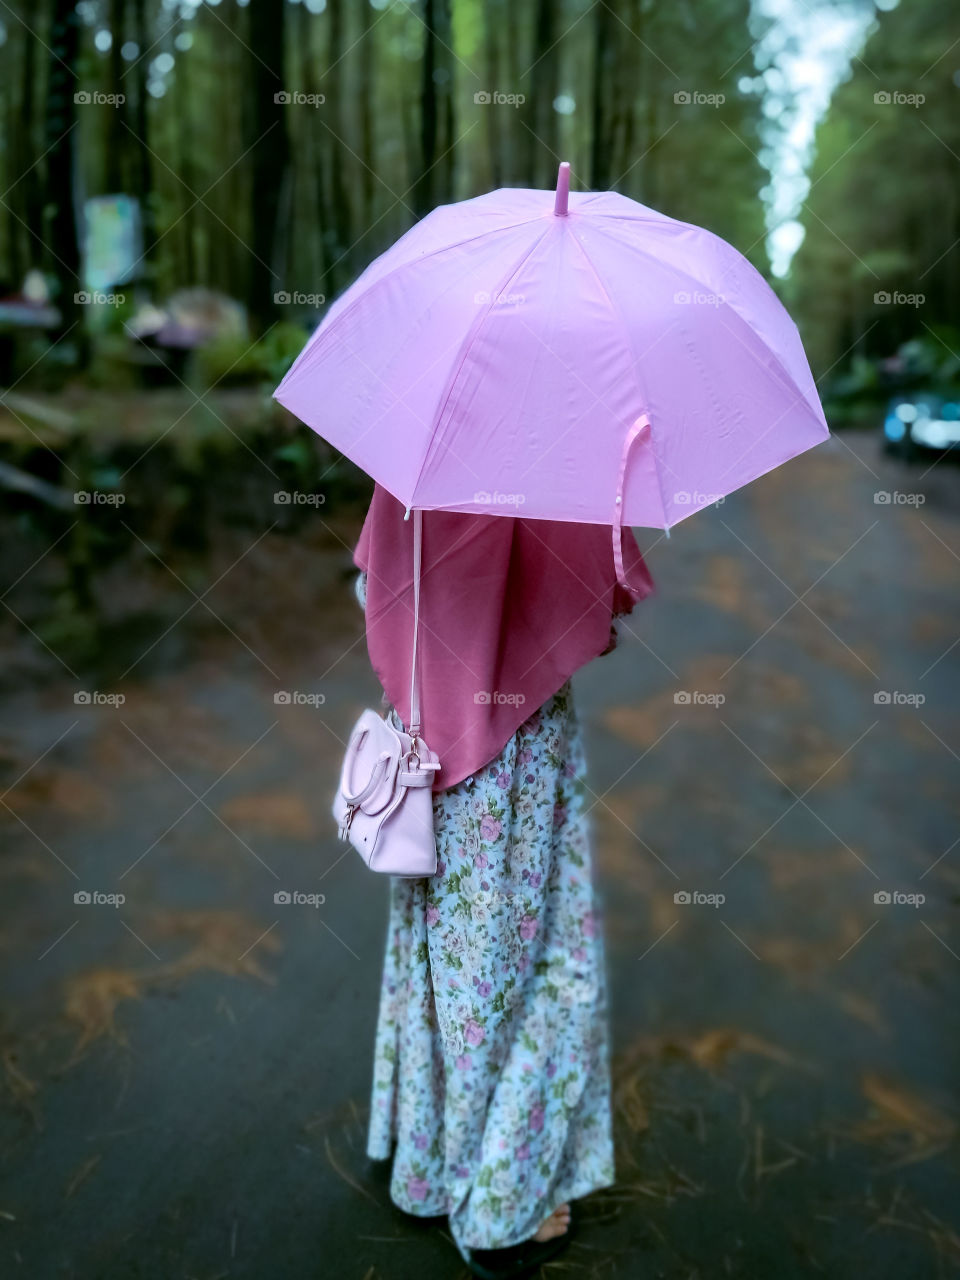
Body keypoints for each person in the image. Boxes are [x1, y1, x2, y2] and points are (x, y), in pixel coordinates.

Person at [353, 484, 653, 1279]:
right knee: (536, 965)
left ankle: (428, 1169)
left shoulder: (416, 458)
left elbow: (370, 588)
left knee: (441, 959)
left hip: (424, 746)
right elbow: (597, 617)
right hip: (517, 762)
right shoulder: (560, 464)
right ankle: (498, 1207)